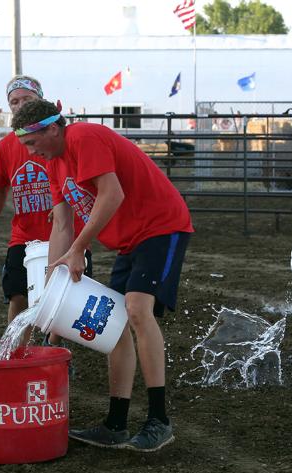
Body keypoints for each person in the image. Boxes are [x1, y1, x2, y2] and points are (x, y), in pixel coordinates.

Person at [11, 98, 193, 452]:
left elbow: (113, 193)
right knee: (114, 323)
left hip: (162, 225)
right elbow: (61, 226)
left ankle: (159, 420)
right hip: (130, 239)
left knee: (138, 309)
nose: (32, 153)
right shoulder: (54, 163)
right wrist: (50, 287)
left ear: (52, 128)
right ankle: (116, 423)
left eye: (33, 143)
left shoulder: (82, 137)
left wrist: (79, 247)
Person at [0, 75, 92, 325]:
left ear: (40, 101)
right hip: (24, 236)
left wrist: (65, 204)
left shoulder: (58, 140)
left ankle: (55, 352)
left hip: (68, 232)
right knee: (18, 296)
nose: (20, 105)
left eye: (27, 99)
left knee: (65, 295)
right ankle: (17, 356)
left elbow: (82, 181)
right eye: (14, 102)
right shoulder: (5, 147)